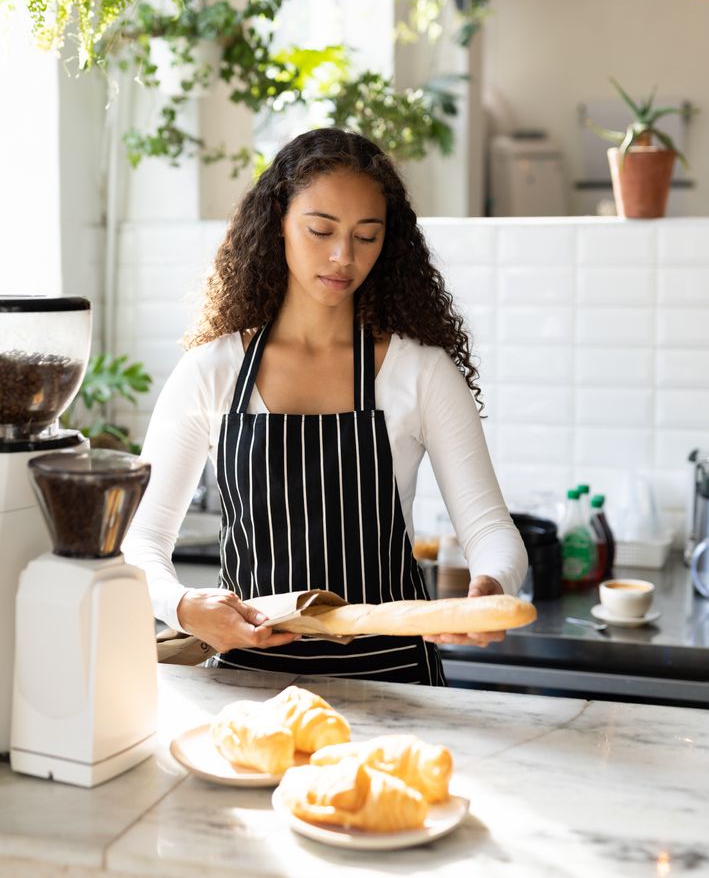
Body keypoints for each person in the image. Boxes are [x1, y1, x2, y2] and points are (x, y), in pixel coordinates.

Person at [123, 128, 527, 686]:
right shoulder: (211, 371)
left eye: (367, 236)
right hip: (248, 686)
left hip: (395, 684)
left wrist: (493, 586)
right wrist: (184, 605)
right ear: (277, 223)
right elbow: (140, 543)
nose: (343, 257)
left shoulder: (420, 370)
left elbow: (489, 528)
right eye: (320, 230)